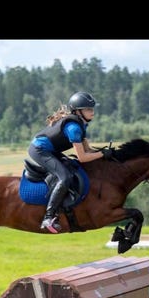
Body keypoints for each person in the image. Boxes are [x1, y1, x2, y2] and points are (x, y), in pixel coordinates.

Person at [28, 91, 113, 233]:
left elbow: (88, 150)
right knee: (65, 177)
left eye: (92, 109)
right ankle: (48, 217)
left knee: (72, 168)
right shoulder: (74, 128)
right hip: (39, 150)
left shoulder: (81, 125)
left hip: (49, 150)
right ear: (78, 112)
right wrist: (101, 154)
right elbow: (82, 157)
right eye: (88, 109)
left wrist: (104, 152)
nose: (92, 112)